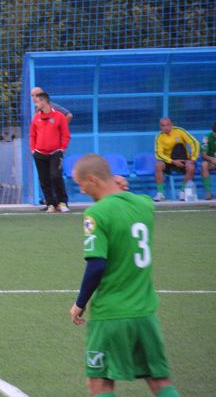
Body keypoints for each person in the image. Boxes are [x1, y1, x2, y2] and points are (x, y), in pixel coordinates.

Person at [70, 153, 180, 396]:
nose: (82, 190)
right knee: (160, 381)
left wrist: (80, 303)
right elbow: (134, 199)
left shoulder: (96, 213)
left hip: (111, 314)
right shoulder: (144, 205)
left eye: (81, 184)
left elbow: (96, 265)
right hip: (145, 314)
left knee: (100, 383)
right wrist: (121, 188)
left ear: (92, 179)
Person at [30, 91, 71, 213]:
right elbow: (32, 135)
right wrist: (33, 149)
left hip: (55, 153)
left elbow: (65, 134)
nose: (36, 104)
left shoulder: (59, 116)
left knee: (56, 176)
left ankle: (62, 202)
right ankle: (51, 204)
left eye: (38, 101)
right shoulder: (36, 117)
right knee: (44, 179)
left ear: (44, 101)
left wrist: (62, 148)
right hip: (39, 154)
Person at [152, 118, 199, 202]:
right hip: (169, 161)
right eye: (163, 125)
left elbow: (194, 143)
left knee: (191, 166)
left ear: (172, 124)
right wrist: (172, 161)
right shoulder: (159, 137)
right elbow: (159, 154)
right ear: (160, 127)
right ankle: (160, 194)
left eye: (168, 125)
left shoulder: (180, 131)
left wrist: (193, 158)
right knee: (158, 165)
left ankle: (183, 192)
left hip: (183, 159)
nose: (166, 127)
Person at [198, 122, 216, 201]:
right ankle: (208, 192)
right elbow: (203, 155)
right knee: (204, 165)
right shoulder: (206, 138)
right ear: (213, 132)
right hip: (212, 162)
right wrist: (212, 159)